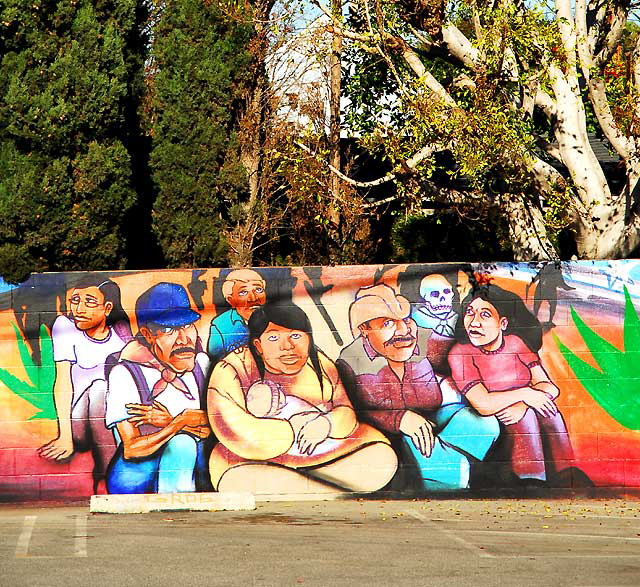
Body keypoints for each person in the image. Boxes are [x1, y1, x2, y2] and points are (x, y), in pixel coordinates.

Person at [207, 302, 398, 495]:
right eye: (273, 338)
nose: (288, 346)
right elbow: (232, 428)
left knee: (382, 458)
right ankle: (328, 492)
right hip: (259, 460)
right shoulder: (231, 369)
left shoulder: (321, 364)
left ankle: (309, 487)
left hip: (327, 456)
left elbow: (345, 410)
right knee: (236, 480)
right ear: (258, 345)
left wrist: (326, 423)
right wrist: (291, 429)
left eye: (296, 336)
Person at [337, 284, 499, 491]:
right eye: (388, 323)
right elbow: (350, 412)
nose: (404, 330)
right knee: (442, 468)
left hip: (438, 418)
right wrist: (399, 419)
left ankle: (455, 468)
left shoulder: (422, 337)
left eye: (405, 319)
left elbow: (466, 353)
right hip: (399, 434)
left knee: (486, 426)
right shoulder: (350, 361)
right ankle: (453, 473)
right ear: (364, 329)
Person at [448, 283, 580, 486]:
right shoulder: (460, 353)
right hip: (487, 421)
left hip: (518, 410)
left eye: (485, 315)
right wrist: (526, 394)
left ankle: (568, 473)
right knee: (527, 416)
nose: (474, 323)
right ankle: (531, 479)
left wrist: (524, 402)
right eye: (470, 313)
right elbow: (483, 404)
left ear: (503, 323)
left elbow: (549, 387)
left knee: (548, 410)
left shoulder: (516, 344)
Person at [105, 282, 210, 494]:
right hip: (137, 475)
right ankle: (177, 515)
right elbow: (132, 448)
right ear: (148, 334)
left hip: (192, 470)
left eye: (188, 326)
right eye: (169, 329)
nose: (183, 338)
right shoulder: (126, 374)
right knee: (182, 444)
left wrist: (169, 421)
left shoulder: (202, 364)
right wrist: (179, 422)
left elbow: (216, 425)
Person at [38, 276, 132, 491]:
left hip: (115, 416)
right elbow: (63, 381)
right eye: (75, 300)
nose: (79, 308)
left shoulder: (121, 331)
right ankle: (108, 476)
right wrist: (65, 436)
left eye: (89, 302)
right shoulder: (65, 326)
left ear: (107, 307)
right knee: (99, 387)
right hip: (79, 422)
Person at [207, 269, 266, 362]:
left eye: (258, 290)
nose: (253, 298)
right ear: (231, 300)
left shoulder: (275, 319)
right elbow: (214, 359)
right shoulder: (220, 325)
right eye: (243, 292)